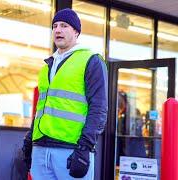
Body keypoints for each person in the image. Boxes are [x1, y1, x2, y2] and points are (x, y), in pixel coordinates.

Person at [22, 8, 108, 180]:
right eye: (54, 26)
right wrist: (29, 140)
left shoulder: (91, 61)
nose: (58, 30)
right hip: (41, 149)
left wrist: (85, 147)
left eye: (64, 26)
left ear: (76, 32)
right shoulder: (46, 66)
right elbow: (42, 108)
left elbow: (98, 108)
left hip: (71, 151)